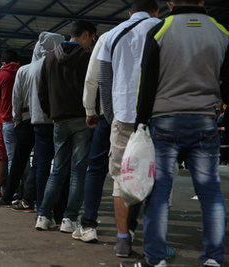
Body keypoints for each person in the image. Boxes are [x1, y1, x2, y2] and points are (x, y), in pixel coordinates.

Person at [121, 0, 229, 266]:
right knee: (210, 192)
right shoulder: (221, 32)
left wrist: (141, 122)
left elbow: (146, 81)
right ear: (203, 0)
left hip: (165, 121)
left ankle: (155, 259)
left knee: (158, 193)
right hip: (205, 120)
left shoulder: (160, 30)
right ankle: (214, 259)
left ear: (170, 2)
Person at [97, 0, 160, 257]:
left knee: (121, 180)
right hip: (157, 115)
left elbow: (104, 78)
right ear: (156, 10)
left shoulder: (112, 34)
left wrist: (111, 115)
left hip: (123, 115)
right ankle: (153, 245)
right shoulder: (162, 27)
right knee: (156, 180)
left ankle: (123, 240)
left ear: (130, 12)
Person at [0, 32, 65, 211]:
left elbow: (17, 98)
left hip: (24, 119)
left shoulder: (25, 70)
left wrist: (16, 119)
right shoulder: (57, 67)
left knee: (18, 160)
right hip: (48, 120)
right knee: (41, 161)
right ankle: (33, 200)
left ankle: (10, 195)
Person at [35, 20, 96, 232]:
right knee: (78, 172)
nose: (92, 43)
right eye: (92, 38)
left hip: (58, 120)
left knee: (57, 170)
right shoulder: (86, 57)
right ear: (86, 35)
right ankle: (69, 220)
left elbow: (42, 92)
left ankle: (43, 216)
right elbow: (93, 87)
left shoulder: (49, 58)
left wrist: (51, 113)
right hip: (81, 119)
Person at [71, 31, 110, 243]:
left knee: (94, 169)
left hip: (107, 115)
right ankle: (128, 231)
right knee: (133, 171)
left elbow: (92, 80)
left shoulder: (108, 37)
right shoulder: (157, 32)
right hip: (142, 116)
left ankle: (87, 224)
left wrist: (90, 110)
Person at [0, 49, 20, 199]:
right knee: (20, 157)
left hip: (2, 122)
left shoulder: (0, 76)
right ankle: (20, 190)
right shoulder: (23, 73)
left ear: (3, 63)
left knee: (0, 157)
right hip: (22, 122)